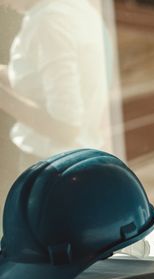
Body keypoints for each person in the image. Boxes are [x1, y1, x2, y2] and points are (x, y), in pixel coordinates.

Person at [0, 0, 111, 171]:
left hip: (51, 167)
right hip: (78, 158)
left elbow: (65, 127)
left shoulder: (49, 20)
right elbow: (38, 81)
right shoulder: (73, 8)